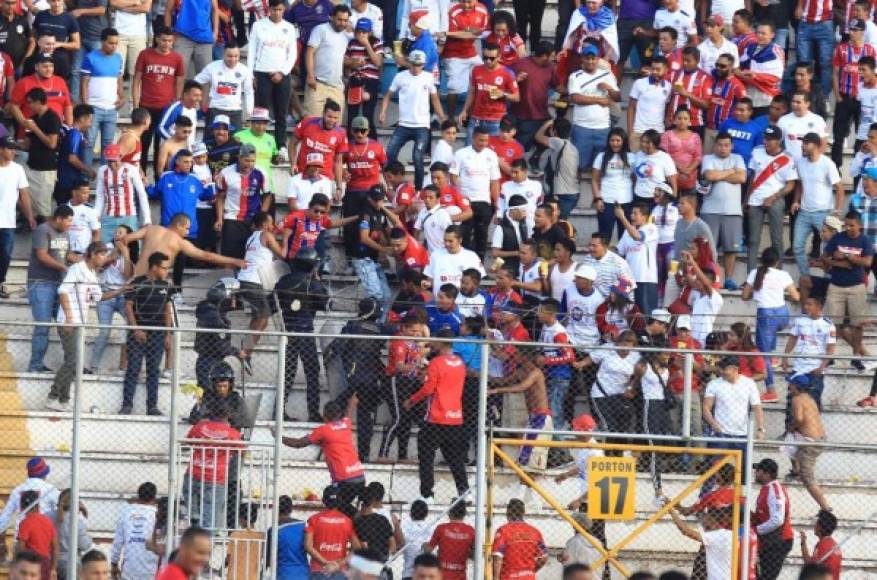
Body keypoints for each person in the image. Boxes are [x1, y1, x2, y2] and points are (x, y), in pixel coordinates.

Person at [46, 242, 118, 412]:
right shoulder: (77, 268)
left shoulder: (93, 274)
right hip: (69, 321)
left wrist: (120, 291)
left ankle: (63, 400)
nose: (104, 258)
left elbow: (99, 297)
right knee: (73, 360)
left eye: (106, 254)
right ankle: (52, 397)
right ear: (92, 254)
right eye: (102, 254)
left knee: (75, 361)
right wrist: (69, 317)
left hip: (80, 322)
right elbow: (63, 291)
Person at [405, 328, 468, 502]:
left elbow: (429, 388)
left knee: (426, 456)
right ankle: (464, 491)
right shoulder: (460, 363)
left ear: (440, 342)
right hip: (455, 417)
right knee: (455, 458)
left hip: (436, 416)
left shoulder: (437, 363)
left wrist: (411, 400)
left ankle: (427, 494)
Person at [275, 401, 366, 516]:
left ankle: (357, 518)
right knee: (340, 508)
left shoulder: (324, 430)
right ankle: (356, 521)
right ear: (339, 414)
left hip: (344, 480)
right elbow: (349, 411)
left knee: (333, 505)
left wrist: (279, 437)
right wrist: (353, 401)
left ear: (325, 415)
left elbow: (298, 443)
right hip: (359, 476)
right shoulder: (346, 423)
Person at [274, 247, 329, 421]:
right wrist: (318, 282)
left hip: (287, 331)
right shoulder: (313, 283)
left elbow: (272, 303)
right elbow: (325, 304)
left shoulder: (283, 281)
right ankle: (313, 413)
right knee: (312, 372)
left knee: (287, 372)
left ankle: (278, 412)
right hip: (305, 331)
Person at [742, 247, 799, 400]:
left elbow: (745, 296)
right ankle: (773, 357)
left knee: (763, 355)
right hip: (782, 314)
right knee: (771, 333)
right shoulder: (783, 274)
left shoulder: (755, 273)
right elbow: (795, 296)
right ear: (777, 261)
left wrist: (757, 292)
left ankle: (771, 390)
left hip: (765, 315)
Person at [121, 251, 172, 415]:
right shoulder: (137, 283)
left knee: (153, 371)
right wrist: (135, 329)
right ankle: (127, 405)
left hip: (157, 334)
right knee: (133, 369)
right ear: (155, 267)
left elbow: (167, 309)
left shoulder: (166, 286)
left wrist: (168, 333)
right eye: (164, 268)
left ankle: (152, 407)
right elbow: (128, 306)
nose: (167, 271)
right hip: (138, 333)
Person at [132, 26, 185, 177]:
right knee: (142, 144)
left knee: (161, 147)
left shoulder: (177, 58)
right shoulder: (145, 54)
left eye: (169, 40)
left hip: (165, 109)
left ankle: (158, 180)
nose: (166, 43)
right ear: (156, 39)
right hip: (146, 106)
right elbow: (137, 80)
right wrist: (136, 104)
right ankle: (140, 178)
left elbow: (179, 81)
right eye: (163, 40)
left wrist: (176, 103)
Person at [27, 205, 74, 374]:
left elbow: (67, 255)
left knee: (66, 325)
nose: (70, 225)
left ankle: (72, 364)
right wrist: (64, 267)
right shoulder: (42, 230)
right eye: (68, 221)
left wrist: (84, 261)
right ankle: (35, 366)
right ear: (59, 218)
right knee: (43, 326)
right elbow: (42, 255)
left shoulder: (66, 233)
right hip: (41, 283)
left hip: (59, 285)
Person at [123, 214, 245, 278]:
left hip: (134, 280)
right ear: (179, 225)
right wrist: (235, 260)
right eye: (187, 228)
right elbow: (206, 256)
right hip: (152, 284)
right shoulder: (180, 242)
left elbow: (125, 239)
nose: (187, 232)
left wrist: (127, 258)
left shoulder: (151, 229)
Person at [745, 125, 797, 271]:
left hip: (776, 199)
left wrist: (773, 197)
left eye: (771, 139)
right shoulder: (757, 151)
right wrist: (746, 200)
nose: (767, 141)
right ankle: (751, 275)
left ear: (779, 140)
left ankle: (777, 273)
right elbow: (752, 177)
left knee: (777, 239)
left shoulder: (787, 158)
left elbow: (790, 185)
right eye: (766, 138)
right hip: (755, 199)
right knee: (753, 240)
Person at [249, 0, 297, 152]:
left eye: (280, 10)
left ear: (284, 10)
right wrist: (251, 74)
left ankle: (281, 145)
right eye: (274, 9)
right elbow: (251, 51)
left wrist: (282, 72)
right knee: (262, 112)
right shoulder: (258, 25)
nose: (277, 13)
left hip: (283, 74)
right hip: (262, 72)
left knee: (281, 111)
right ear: (269, 9)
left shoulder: (289, 28)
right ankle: (259, 143)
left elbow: (292, 54)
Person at [700, 132, 746, 288]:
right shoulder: (708, 159)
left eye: (726, 145)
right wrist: (731, 171)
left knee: (730, 249)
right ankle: (710, 278)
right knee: (708, 249)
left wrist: (720, 175)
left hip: (733, 211)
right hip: (710, 210)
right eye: (720, 145)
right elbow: (710, 175)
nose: (723, 148)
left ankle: (729, 279)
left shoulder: (737, 158)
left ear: (732, 146)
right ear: (715, 145)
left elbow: (742, 178)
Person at [568, 43, 620, 174]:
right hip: (582, 128)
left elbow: (618, 97)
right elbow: (576, 98)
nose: (590, 61)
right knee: (578, 166)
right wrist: (599, 100)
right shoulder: (575, 76)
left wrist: (608, 88)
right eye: (587, 58)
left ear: (598, 59)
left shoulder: (607, 75)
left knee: (602, 167)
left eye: (593, 58)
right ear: (582, 59)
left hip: (603, 128)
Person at [703, 355, 765, 463]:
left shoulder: (749, 384)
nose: (721, 371)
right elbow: (706, 407)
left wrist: (760, 428)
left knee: (743, 470)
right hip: (720, 434)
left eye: (725, 369)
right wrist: (713, 423)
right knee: (714, 468)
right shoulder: (714, 384)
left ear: (735, 369)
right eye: (721, 368)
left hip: (742, 435)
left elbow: (757, 407)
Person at [459, 43, 520, 144]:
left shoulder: (507, 73)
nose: (488, 61)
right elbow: (472, 91)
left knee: (493, 153)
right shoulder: (476, 70)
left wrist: (503, 94)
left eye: (492, 58)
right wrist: (465, 110)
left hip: (496, 120)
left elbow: (517, 97)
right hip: (476, 118)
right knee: (469, 150)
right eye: (485, 57)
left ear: (499, 57)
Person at [80, 28, 123, 167]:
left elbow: (119, 81)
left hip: (112, 108)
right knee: (89, 142)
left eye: (116, 43)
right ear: (102, 42)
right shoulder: (90, 58)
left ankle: (105, 177)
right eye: (111, 43)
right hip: (94, 107)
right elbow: (84, 83)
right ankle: (85, 177)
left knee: (108, 145)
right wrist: (86, 107)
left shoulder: (118, 58)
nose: (114, 46)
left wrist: (122, 97)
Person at [0, 457, 59, 559]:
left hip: (21, 540)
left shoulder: (17, 490)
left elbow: (5, 517)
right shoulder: (50, 489)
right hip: (43, 540)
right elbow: (63, 505)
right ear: (44, 474)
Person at [16, 88, 60, 223]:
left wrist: (35, 129)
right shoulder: (32, 119)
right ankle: (31, 220)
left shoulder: (52, 117)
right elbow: (27, 145)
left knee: (43, 208)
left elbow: (52, 144)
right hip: (31, 166)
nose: (28, 106)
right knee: (19, 196)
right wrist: (12, 144)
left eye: (30, 102)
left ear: (39, 102)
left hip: (45, 169)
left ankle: (47, 235)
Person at [194, 44, 254, 139]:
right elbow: (196, 81)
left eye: (236, 56)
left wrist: (249, 112)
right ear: (223, 54)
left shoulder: (245, 70)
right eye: (229, 56)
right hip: (215, 109)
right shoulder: (212, 67)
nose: (233, 59)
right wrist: (197, 99)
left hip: (235, 111)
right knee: (210, 142)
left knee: (235, 143)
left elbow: (249, 92)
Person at [0, 137, 35, 299]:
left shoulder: (18, 169)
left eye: (15, 148)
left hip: (7, 221)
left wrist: (30, 216)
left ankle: (1, 282)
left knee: (6, 254)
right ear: (1, 149)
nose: (14, 151)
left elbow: (24, 195)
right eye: (10, 148)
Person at [94, 143, 151, 241]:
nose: (112, 164)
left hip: (128, 217)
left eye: (114, 160)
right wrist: (96, 215)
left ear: (120, 157)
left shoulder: (131, 170)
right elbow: (100, 195)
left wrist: (147, 219)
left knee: (132, 249)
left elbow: (142, 194)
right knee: (104, 249)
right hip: (108, 217)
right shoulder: (102, 171)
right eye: (109, 161)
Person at [443, 0, 490, 119]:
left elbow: (485, 31)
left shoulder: (482, 9)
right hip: (453, 54)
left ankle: (471, 116)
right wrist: (470, 32)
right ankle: (451, 119)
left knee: (487, 76)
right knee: (454, 87)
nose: (466, 5)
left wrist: (469, 32)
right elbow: (454, 34)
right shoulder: (454, 11)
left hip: (470, 52)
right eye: (463, 1)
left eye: (469, 2)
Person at [304, 4, 350, 116]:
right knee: (312, 122)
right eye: (339, 19)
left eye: (345, 20)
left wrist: (352, 62)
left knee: (335, 126)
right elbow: (309, 52)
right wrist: (310, 76)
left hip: (337, 86)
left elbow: (338, 58)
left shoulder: (346, 36)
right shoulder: (320, 29)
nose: (342, 23)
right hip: (317, 83)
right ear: (332, 17)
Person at [510, 41, 557, 151]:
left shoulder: (550, 67)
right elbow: (506, 85)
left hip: (543, 114)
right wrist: (516, 80)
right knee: (520, 149)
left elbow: (557, 86)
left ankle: (535, 159)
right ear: (545, 56)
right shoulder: (520, 64)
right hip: (524, 116)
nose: (554, 58)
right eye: (552, 56)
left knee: (553, 136)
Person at [304, 485, 361, 575]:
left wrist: (326, 563)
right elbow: (357, 548)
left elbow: (308, 546)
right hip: (339, 571)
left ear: (323, 500)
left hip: (318, 570)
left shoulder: (313, 519)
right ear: (340, 501)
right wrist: (338, 564)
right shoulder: (347, 521)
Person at [752, 458, 793, 580]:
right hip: (770, 540)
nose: (755, 473)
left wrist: (755, 530)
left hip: (778, 541)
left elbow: (777, 520)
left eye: (758, 470)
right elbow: (764, 515)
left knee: (767, 577)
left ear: (767, 474)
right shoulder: (767, 488)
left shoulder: (774, 490)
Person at [667, 507, 735, 580]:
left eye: (707, 527)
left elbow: (686, 531)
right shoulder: (735, 535)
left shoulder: (717, 536)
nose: (704, 529)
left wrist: (671, 511)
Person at [616, 202, 659, 315]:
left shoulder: (651, 228)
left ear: (645, 216)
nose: (632, 216)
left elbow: (637, 236)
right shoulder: (627, 231)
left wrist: (622, 217)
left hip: (644, 278)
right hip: (627, 278)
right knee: (622, 310)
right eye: (631, 214)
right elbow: (619, 251)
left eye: (635, 214)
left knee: (644, 314)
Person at [591, 128, 634, 241]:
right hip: (606, 202)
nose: (615, 143)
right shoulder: (601, 156)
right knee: (604, 237)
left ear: (623, 141)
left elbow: (635, 179)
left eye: (618, 140)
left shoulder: (632, 157)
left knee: (625, 238)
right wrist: (597, 199)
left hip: (626, 202)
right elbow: (595, 180)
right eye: (612, 140)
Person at [110, 482, 159, 579]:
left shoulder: (126, 512)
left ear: (138, 495)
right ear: (154, 497)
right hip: (151, 570)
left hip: (130, 570)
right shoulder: (157, 514)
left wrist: (114, 563)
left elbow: (118, 541)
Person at [491, 499, 548, 580]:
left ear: (508, 512)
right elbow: (544, 557)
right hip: (528, 576)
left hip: (509, 576)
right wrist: (531, 571)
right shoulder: (535, 532)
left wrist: (495, 578)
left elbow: (497, 557)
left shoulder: (503, 531)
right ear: (523, 512)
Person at [736, 22, 783, 115]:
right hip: (748, 96)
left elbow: (775, 77)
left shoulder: (776, 51)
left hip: (766, 98)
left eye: (763, 33)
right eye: (757, 33)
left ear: (772, 35)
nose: (759, 35)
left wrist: (754, 76)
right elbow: (740, 65)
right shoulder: (750, 47)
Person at [628, 57, 672, 154]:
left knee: (655, 164)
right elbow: (631, 108)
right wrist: (630, 132)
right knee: (636, 163)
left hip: (658, 131)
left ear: (666, 70)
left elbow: (666, 107)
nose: (655, 72)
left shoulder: (668, 86)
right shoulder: (639, 83)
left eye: (658, 69)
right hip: (639, 131)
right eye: (653, 69)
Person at [54, 104, 95, 204]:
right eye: (90, 120)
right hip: (68, 183)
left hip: (67, 181)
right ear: (82, 118)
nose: (90, 124)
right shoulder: (75, 134)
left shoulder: (75, 134)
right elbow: (72, 158)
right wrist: (88, 170)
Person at [424, 501, 475, 580]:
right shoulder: (470, 531)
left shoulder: (441, 528)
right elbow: (475, 556)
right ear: (464, 513)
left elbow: (428, 550)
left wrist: (424, 545)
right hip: (460, 575)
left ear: (450, 512)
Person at [163, 0, 215, 75]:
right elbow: (168, 10)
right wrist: (168, 33)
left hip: (204, 38)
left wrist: (215, 31)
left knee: (205, 76)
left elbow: (215, 9)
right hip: (182, 36)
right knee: (178, 73)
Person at [14, 490, 57, 580]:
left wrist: (16, 562)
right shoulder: (47, 521)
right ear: (38, 506)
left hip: (30, 562)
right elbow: (55, 547)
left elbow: (21, 546)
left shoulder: (25, 522)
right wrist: (53, 568)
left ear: (22, 507)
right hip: (45, 562)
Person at [662, 107, 702, 195]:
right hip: (671, 175)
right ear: (674, 119)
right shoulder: (667, 135)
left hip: (690, 176)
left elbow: (698, 157)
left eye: (685, 118)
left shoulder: (695, 136)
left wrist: (688, 170)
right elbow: (665, 156)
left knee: (688, 206)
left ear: (690, 121)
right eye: (679, 118)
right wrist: (681, 169)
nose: (682, 121)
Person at [267, 495, 308, 580]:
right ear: (291, 509)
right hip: (303, 573)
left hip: (283, 574)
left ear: (276, 509)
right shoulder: (303, 525)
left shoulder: (273, 530)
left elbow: (268, 558)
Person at [633, 130, 678, 203]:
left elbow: (672, 181)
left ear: (655, 144)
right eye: (642, 141)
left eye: (647, 142)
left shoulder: (664, 157)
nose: (643, 144)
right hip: (638, 197)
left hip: (656, 199)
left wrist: (674, 200)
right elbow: (635, 176)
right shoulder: (638, 155)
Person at [800, 510, 842, 580]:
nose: (814, 525)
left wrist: (803, 543)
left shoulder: (822, 545)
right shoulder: (834, 544)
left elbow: (809, 564)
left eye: (816, 523)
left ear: (819, 527)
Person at [398, 500, 433, 579]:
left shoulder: (404, 528)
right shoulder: (430, 529)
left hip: (408, 573)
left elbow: (399, 547)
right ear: (426, 514)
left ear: (411, 513)